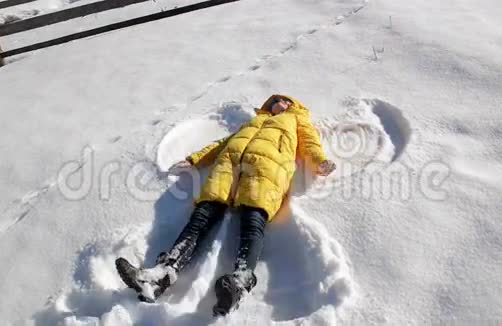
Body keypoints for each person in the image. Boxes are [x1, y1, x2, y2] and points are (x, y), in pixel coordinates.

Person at [115, 94, 336, 315]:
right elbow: (224, 143)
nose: (278, 102)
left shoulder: (296, 120)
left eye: (283, 100)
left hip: (268, 170)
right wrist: (195, 159)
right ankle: (161, 275)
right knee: (201, 216)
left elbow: (309, 143)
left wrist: (320, 162)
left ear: (291, 105)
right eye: (274, 100)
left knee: (253, 219)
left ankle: (240, 281)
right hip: (228, 165)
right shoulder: (255, 121)